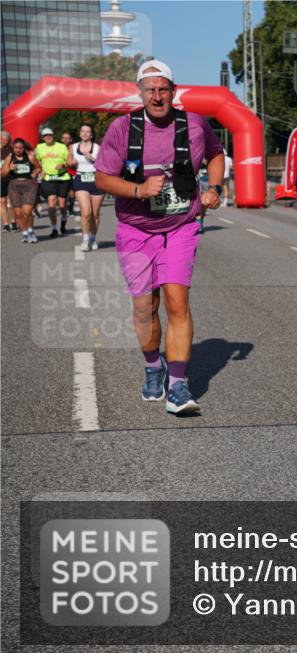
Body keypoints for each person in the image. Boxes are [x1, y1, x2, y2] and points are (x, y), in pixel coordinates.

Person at [94, 59, 224, 414]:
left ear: (173, 91)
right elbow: (103, 178)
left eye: (163, 89)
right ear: (140, 93)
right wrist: (137, 190)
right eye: (150, 89)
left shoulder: (195, 124)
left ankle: (179, 385)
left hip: (180, 227)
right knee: (144, 307)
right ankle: (154, 367)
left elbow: (215, 154)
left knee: (177, 302)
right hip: (136, 229)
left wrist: (214, 186)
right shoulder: (123, 129)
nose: (157, 96)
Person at [68, 123, 104, 251]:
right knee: (86, 212)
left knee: (95, 214)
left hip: (96, 180)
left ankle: (93, 238)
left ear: (91, 134)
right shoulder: (73, 147)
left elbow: (104, 164)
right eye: (82, 131)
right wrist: (71, 162)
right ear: (79, 133)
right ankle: (85, 240)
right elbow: (69, 162)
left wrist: (93, 159)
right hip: (81, 179)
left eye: (87, 131)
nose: (85, 134)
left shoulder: (97, 147)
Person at [1, 138, 41, 243]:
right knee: (18, 214)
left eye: (21, 148)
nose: (18, 150)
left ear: (24, 148)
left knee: (27, 212)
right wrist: (9, 168)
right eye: (16, 148)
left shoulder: (30, 157)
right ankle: (25, 233)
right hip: (14, 185)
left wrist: (35, 173)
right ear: (13, 148)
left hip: (29, 185)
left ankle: (31, 231)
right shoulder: (9, 158)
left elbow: (38, 168)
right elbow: (2, 174)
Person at [35, 128, 71, 237]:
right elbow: (37, 160)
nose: (48, 137)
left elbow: (69, 162)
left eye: (49, 135)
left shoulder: (62, 147)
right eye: (45, 136)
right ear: (42, 138)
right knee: (51, 202)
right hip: (48, 178)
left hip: (62, 177)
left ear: (53, 135)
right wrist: (40, 169)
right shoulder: (39, 147)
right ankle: (54, 228)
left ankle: (64, 219)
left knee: (62, 205)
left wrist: (63, 165)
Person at [61, 131, 77, 232]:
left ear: (71, 139)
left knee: (72, 193)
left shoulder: (74, 148)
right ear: (61, 139)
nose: (66, 140)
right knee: (64, 194)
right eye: (64, 138)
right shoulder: (57, 148)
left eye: (68, 138)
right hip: (62, 173)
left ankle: (70, 209)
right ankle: (66, 209)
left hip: (72, 172)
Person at [1, 130, 12, 232]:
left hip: (11, 178)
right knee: (2, 201)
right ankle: (6, 224)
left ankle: (14, 221)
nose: (4, 140)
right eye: (2, 138)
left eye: (6, 139)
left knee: (12, 201)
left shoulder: (11, 150)